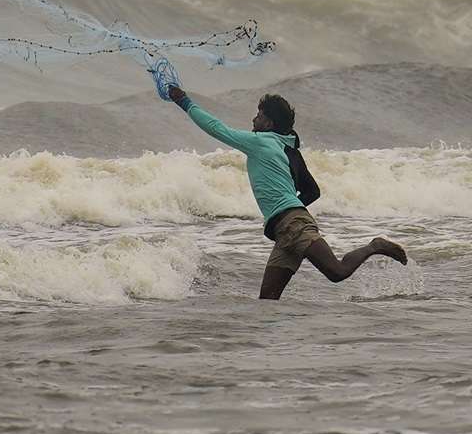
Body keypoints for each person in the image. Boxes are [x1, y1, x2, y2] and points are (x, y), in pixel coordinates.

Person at [167, 85, 407, 299]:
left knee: (337, 271)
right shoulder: (287, 148)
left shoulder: (260, 141)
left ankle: (375, 246)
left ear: (269, 123)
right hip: (285, 231)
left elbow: (216, 128)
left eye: (259, 116)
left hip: (293, 224)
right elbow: (312, 191)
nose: (254, 119)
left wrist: (184, 101)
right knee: (268, 301)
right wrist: (288, 206)